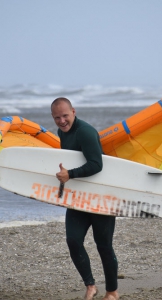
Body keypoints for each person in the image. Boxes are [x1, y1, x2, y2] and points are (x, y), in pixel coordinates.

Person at [51, 97, 119, 300]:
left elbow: (97, 164)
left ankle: (112, 292)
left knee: (103, 245)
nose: (62, 121)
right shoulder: (62, 132)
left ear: (73, 111)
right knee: (73, 240)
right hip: (79, 197)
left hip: (101, 197)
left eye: (65, 115)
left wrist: (69, 174)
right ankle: (91, 286)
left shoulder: (86, 132)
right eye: (57, 118)